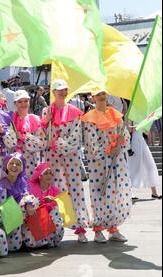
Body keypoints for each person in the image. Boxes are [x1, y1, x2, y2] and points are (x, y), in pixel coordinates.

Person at [42, 79, 90, 243]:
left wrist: (60, 144)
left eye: (64, 90)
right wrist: (46, 121)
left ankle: (80, 226)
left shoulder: (75, 111)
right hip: (53, 158)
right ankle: (58, 224)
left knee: (75, 188)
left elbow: (76, 136)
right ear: (53, 92)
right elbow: (43, 136)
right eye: (59, 90)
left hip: (70, 157)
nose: (62, 92)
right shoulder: (46, 111)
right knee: (56, 190)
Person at [81, 89, 131, 242]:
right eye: (99, 94)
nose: (102, 97)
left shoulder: (115, 114)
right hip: (100, 163)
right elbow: (91, 142)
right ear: (93, 97)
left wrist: (120, 144)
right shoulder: (89, 118)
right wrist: (108, 150)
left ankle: (113, 227)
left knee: (116, 192)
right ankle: (98, 230)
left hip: (117, 161)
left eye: (104, 93)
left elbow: (125, 135)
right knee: (99, 193)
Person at [0, 153, 29, 252]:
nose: (14, 166)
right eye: (12, 163)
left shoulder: (22, 182)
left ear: (22, 167)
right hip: (4, 218)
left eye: (18, 164)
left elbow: (27, 197)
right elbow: (0, 205)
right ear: (6, 165)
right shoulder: (1, 183)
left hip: (18, 217)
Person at [8, 90, 46, 177]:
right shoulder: (10, 119)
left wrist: (25, 137)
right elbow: (7, 141)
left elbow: (42, 143)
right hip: (13, 161)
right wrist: (14, 137)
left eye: (26, 101)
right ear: (15, 103)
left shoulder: (34, 119)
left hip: (30, 162)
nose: (23, 104)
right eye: (20, 102)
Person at [26, 163, 65, 248]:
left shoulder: (55, 190)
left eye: (50, 173)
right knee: (30, 243)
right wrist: (41, 201)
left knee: (56, 209)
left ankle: (47, 240)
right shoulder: (30, 187)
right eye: (46, 173)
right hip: (35, 219)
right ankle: (43, 241)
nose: (49, 176)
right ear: (40, 175)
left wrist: (54, 200)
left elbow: (63, 205)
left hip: (49, 220)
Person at [128, 126, 162, 200]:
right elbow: (127, 129)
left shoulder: (143, 116)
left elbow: (146, 132)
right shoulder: (129, 114)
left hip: (142, 142)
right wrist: (137, 127)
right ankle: (129, 193)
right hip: (133, 143)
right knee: (133, 167)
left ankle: (154, 192)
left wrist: (145, 127)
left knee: (150, 165)